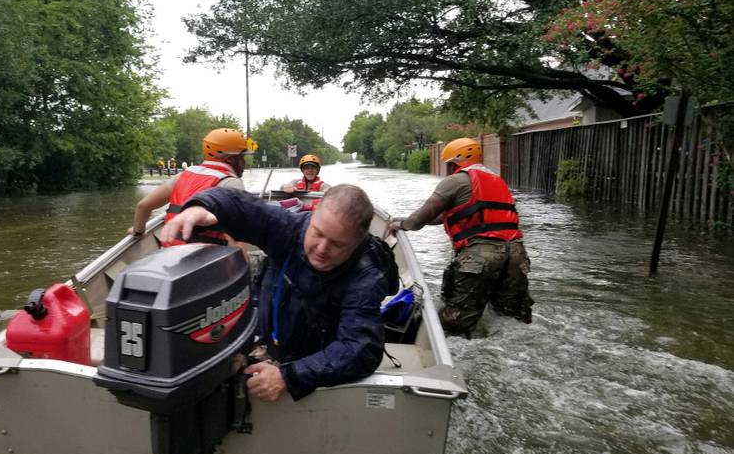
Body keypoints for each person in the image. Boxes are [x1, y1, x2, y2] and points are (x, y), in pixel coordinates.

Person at [161, 184, 398, 403]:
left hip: (315, 363)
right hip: (269, 339)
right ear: (313, 216)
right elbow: (241, 205)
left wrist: (289, 376)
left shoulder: (366, 276)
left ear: (357, 242)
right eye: (318, 233)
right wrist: (201, 206)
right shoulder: (290, 228)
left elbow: (361, 349)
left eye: (337, 244)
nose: (322, 248)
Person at [389, 137, 533, 337]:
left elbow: (419, 219)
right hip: (516, 254)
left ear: (455, 162)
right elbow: (448, 216)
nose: (448, 169)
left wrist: (400, 224)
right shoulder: (497, 181)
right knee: (509, 318)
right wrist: (408, 220)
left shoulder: (454, 181)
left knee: (454, 324)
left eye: (448, 164)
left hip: (481, 256)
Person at [129, 129, 252, 244]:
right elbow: (238, 239)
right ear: (230, 159)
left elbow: (143, 206)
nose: (244, 163)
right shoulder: (231, 183)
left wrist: (138, 232)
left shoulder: (182, 175)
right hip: (207, 257)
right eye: (242, 157)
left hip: (169, 255)